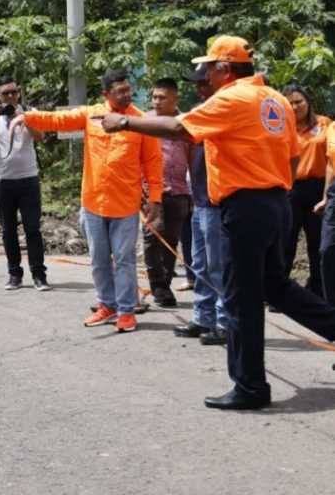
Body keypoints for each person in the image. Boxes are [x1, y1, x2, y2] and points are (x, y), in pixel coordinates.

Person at [94, 35, 335, 409]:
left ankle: (251, 388)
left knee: (242, 298)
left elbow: (178, 129)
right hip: (275, 202)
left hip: (246, 207)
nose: (204, 75)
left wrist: (124, 122)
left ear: (225, 68)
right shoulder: (275, 100)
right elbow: (291, 157)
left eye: (207, 68)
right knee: (274, 285)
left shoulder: (231, 99)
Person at [14, 69, 162, 330]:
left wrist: (156, 198)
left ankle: (127, 311)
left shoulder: (140, 121)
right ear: (106, 94)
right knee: (98, 259)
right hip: (93, 203)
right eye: (121, 91)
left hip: (126, 205)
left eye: (128, 89)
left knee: (125, 259)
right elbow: (58, 119)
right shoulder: (91, 115)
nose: (127, 94)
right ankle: (107, 305)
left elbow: (153, 162)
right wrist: (27, 117)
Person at [173, 63, 228, 346]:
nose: (198, 88)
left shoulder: (224, 111)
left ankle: (222, 322)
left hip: (218, 201)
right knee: (199, 263)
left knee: (218, 265)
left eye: (203, 83)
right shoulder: (200, 113)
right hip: (201, 198)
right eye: (196, 83)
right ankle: (202, 317)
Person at [0, 76, 51, 291]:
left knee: (32, 229)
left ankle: (39, 275)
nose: (11, 97)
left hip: (28, 179)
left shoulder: (29, 110)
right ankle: (14, 275)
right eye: (6, 94)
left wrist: (25, 118)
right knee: (8, 230)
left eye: (14, 92)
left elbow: (41, 137)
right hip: (2, 181)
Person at [141, 78, 191, 308]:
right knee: (153, 236)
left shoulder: (186, 122)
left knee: (171, 239)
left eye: (162, 97)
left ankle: (166, 283)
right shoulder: (144, 122)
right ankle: (157, 285)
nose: (157, 101)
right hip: (153, 191)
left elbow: (192, 156)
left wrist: (193, 191)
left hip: (180, 190)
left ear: (175, 99)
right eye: (154, 97)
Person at [282, 84, 330, 297]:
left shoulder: (324, 123)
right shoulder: (281, 127)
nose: (295, 106)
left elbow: (331, 158)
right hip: (291, 189)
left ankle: (319, 291)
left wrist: (326, 195)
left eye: (299, 101)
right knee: (286, 242)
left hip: (319, 189)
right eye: (290, 103)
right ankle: (280, 293)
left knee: (319, 244)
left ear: (308, 102)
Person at [316, 121, 335, 303]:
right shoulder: (332, 128)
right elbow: (331, 163)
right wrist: (325, 197)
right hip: (334, 193)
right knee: (327, 249)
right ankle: (331, 311)